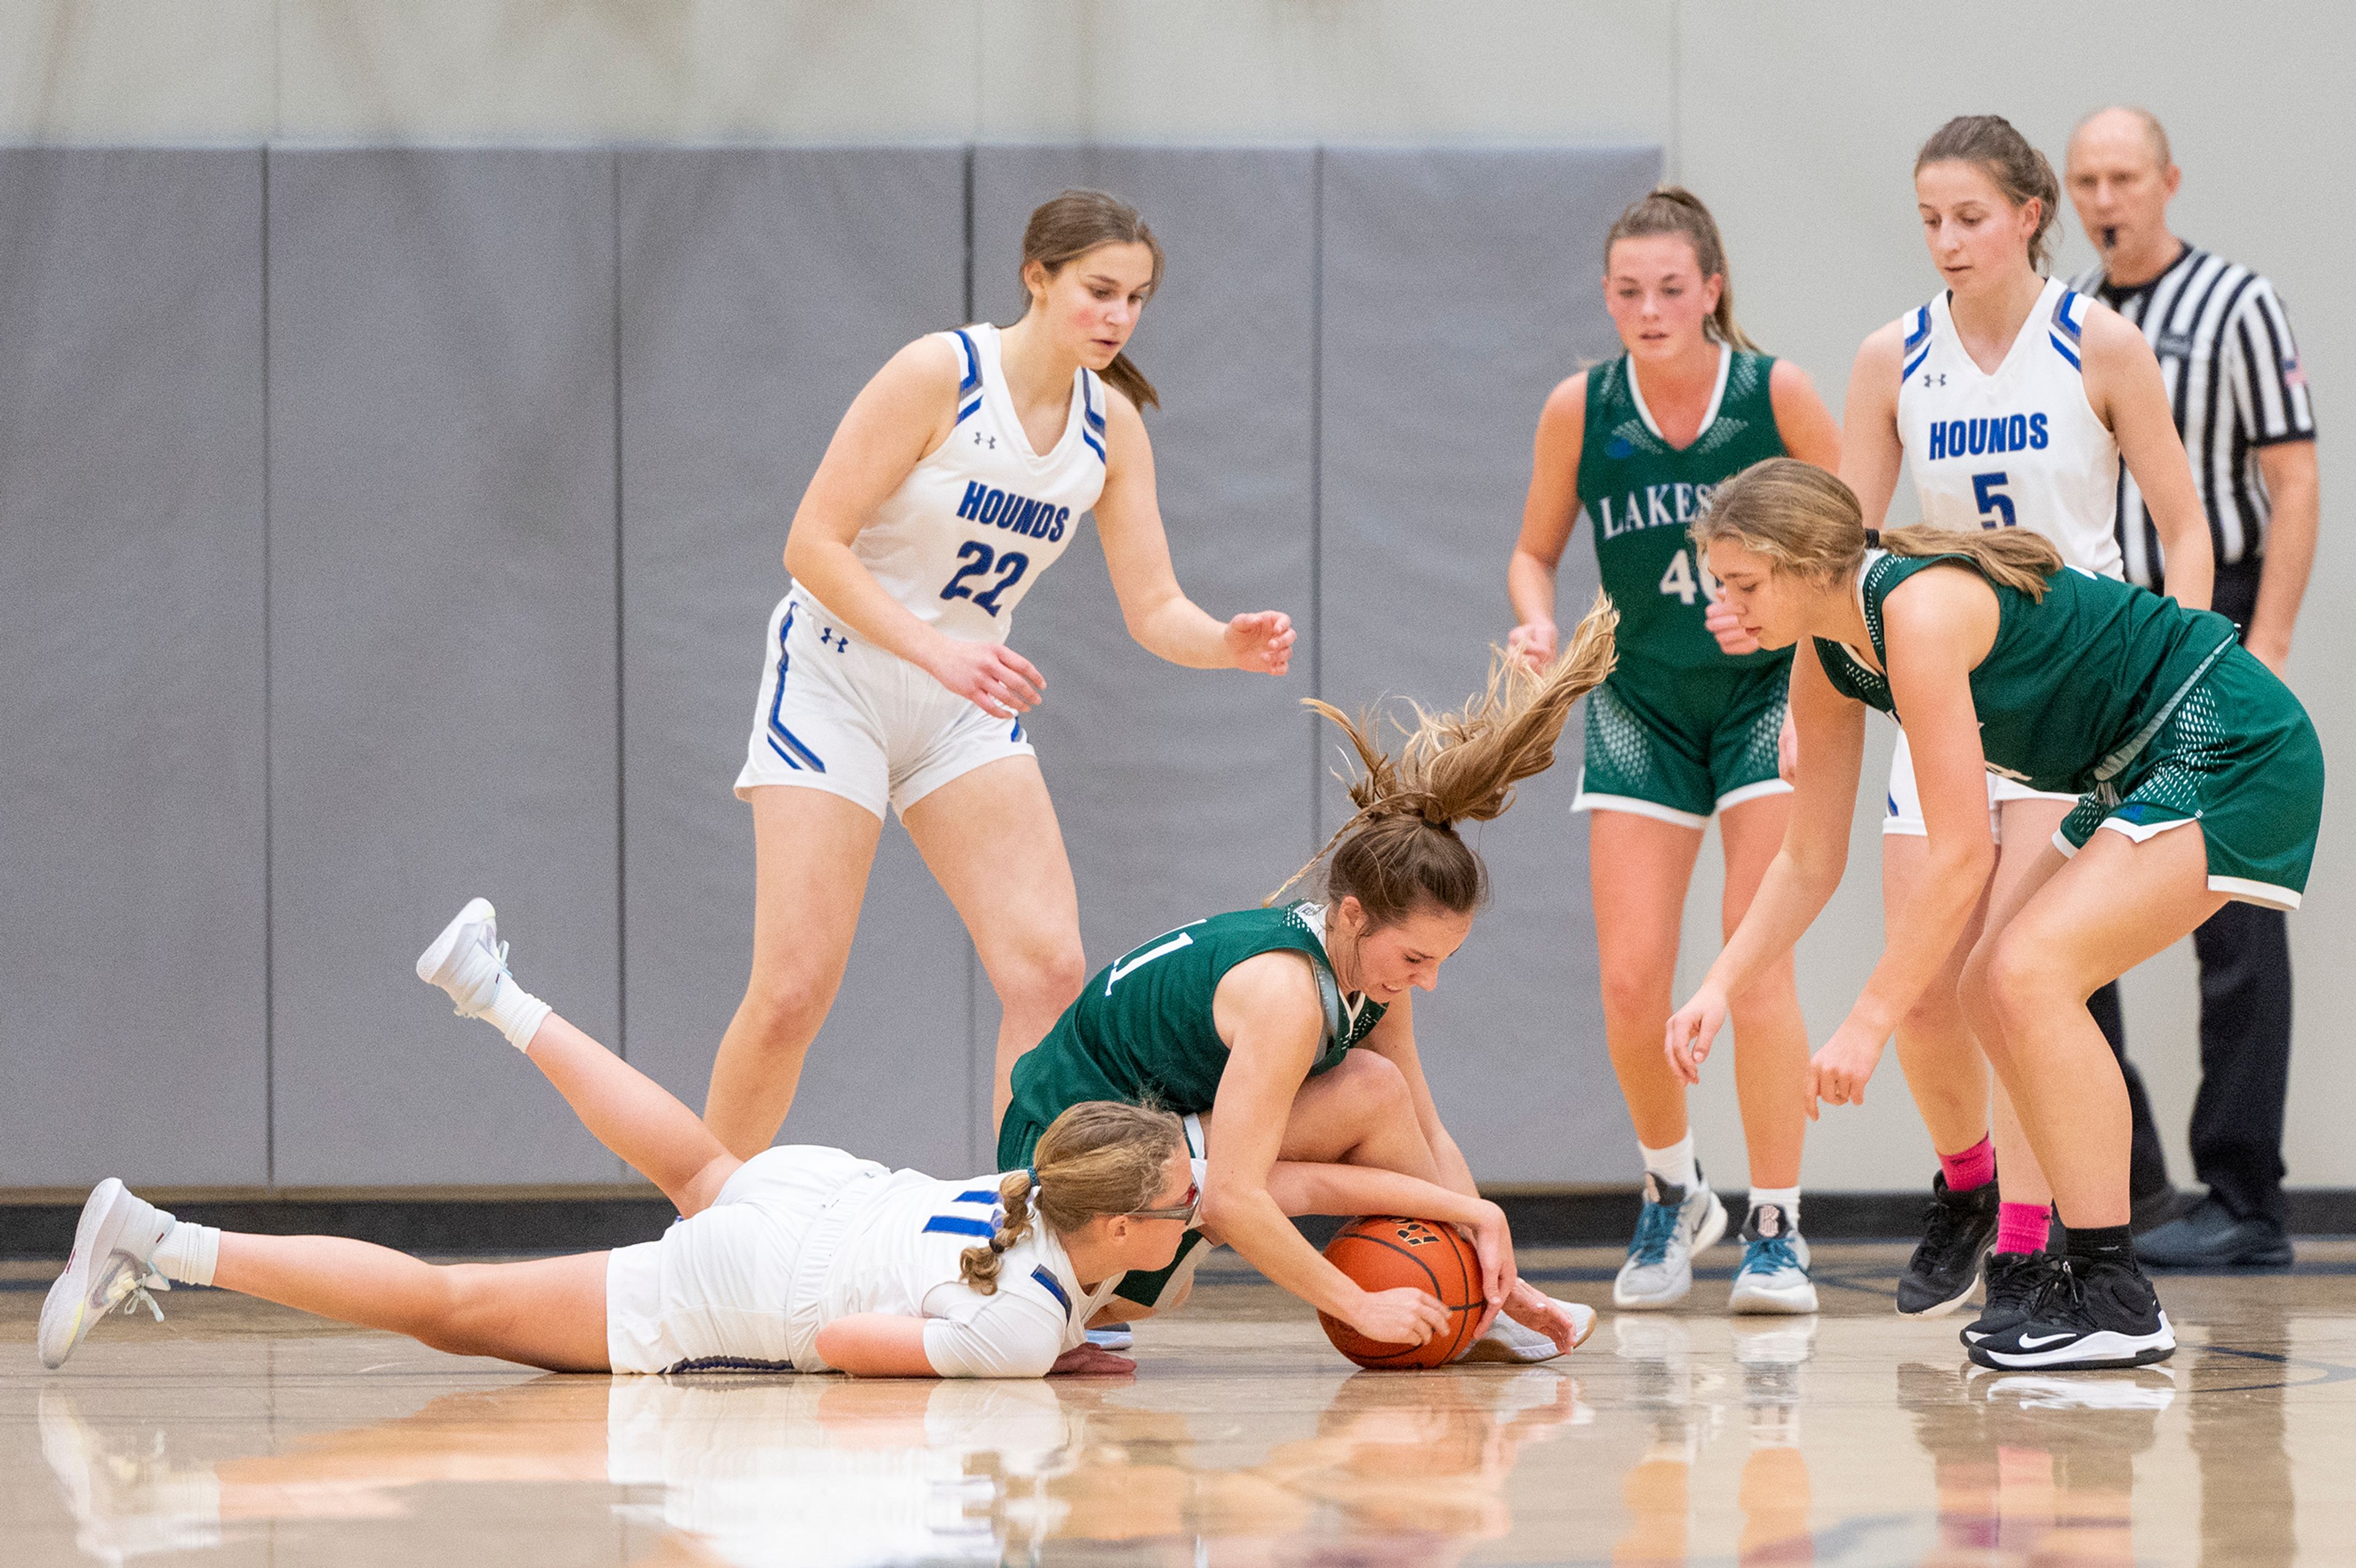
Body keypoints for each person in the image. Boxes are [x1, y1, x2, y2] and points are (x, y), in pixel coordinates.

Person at [1666, 458, 2323, 1370]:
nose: (1728, 606)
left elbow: (1963, 851)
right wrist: (1716, 986)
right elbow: (1808, 860)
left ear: (1812, 562)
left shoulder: (1917, 612)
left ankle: (2114, 1292)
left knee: (2031, 973)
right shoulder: (1829, 651)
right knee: (1989, 987)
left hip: (2226, 741)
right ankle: (2076, 1273)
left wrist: (1867, 1022)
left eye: (1744, 583)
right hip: (2136, 765)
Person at [707, 188, 1298, 1157]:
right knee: (791, 990)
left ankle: (1015, 1232)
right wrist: (936, 646)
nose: (1120, 317)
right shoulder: (939, 372)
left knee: (1049, 972)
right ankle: (701, 1222)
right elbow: (811, 544)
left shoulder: (1111, 425)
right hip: (837, 679)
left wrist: (1223, 642)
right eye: (1100, 291)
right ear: (1038, 277)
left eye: (1138, 298)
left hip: (959, 705)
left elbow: (1155, 609)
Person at [40, 900, 1201, 1380]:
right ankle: (160, 1240)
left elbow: (1021, 1290)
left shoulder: (1037, 1193)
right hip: (761, 1277)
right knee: (453, 1308)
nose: (1198, 1215)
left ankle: (493, 989)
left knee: (701, 1164)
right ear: (1117, 1226)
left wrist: (1051, 1334)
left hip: (817, 1185)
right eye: (1184, 1207)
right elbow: (851, 1345)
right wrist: (1031, 1352)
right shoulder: (1025, 1317)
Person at [1001, 598, 1626, 1360]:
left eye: (1442, 963)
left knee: (1382, 1097)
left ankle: (1483, 1302)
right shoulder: (1287, 995)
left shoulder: (1361, 972)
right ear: (1356, 916)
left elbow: (1427, 1134)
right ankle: (1052, 1296)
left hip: (1116, 1146)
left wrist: (1498, 1259)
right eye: (1416, 959)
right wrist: (1362, 1305)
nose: (1426, 983)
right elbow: (1233, 1199)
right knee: (1365, 1094)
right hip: (1063, 1171)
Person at [1837, 115, 2212, 1321]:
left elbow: (2188, 526)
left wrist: (2177, 678)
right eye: (1929, 221)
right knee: (1927, 989)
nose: (1947, 241)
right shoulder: (1891, 358)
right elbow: (1838, 545)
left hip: (2067, 699)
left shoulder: (2100, 343)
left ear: (2029, 213)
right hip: (1941, 696)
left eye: (1970, 217)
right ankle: (1969, 1179)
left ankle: (2026, 1246)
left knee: (2008, 978)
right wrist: (1796, 695)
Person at [1508, 186, 1842, 1315]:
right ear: (1607, 298)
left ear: (1712, 290)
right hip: (1640, 700)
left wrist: (1809, 658)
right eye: (1627, 291)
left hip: (1763, 694)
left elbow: (1853, 539)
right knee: (1632, 977)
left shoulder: (1775, 394)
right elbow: (1531, 551)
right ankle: (1671, 1188)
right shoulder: (1582, 407)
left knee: (1755, 970)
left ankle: (1778, 1224)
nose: (1648, 309)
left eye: (1669, 288)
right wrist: (1536, 621)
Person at [2065, 105, 2320, 1269]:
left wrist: (2261, 645)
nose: (2105, 200)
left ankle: (2246, 1198)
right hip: (2105, 639)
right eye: (2084, 181)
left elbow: (2294, 480)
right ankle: (2125, 1182)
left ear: (2168, 180)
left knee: (2235, 918)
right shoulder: (2064, 318)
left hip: (2210, 628)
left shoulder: (2238, 303)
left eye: (2123, 177)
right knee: (2075, 917)